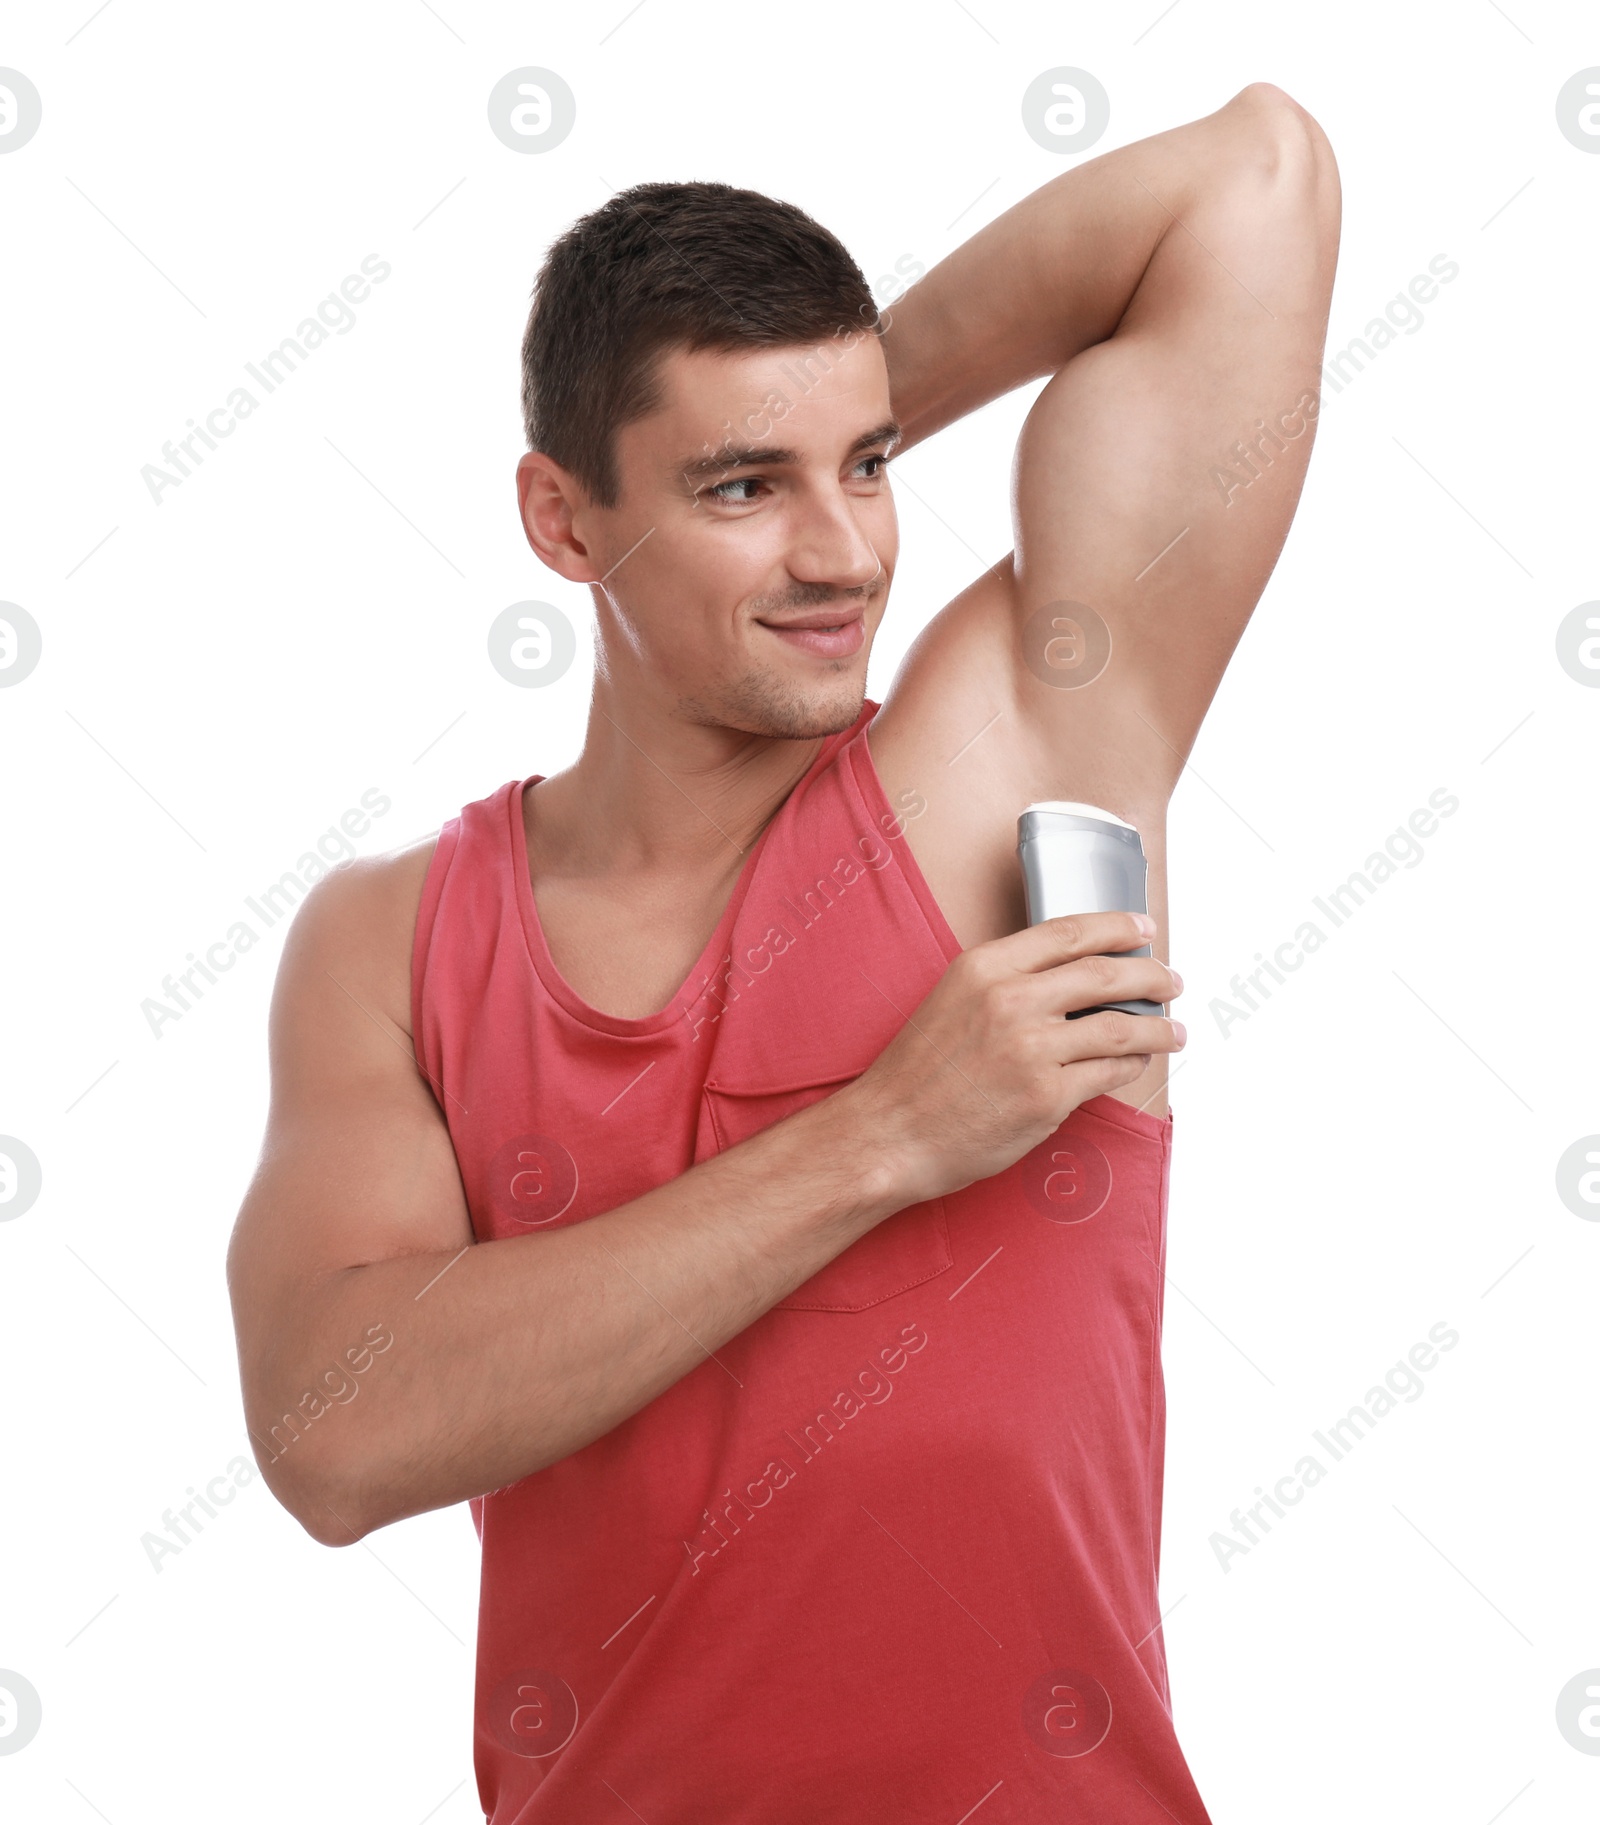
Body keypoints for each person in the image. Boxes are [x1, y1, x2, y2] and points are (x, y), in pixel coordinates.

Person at [227, 81, 1338, 1822]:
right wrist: (885, 1135)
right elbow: (334, 1433)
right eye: (744, 486)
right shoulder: (392, 936)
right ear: (565, 519)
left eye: (872, 469)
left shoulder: (1018, 752)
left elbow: (1252, 176)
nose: (845, 557)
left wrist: (820, 404)